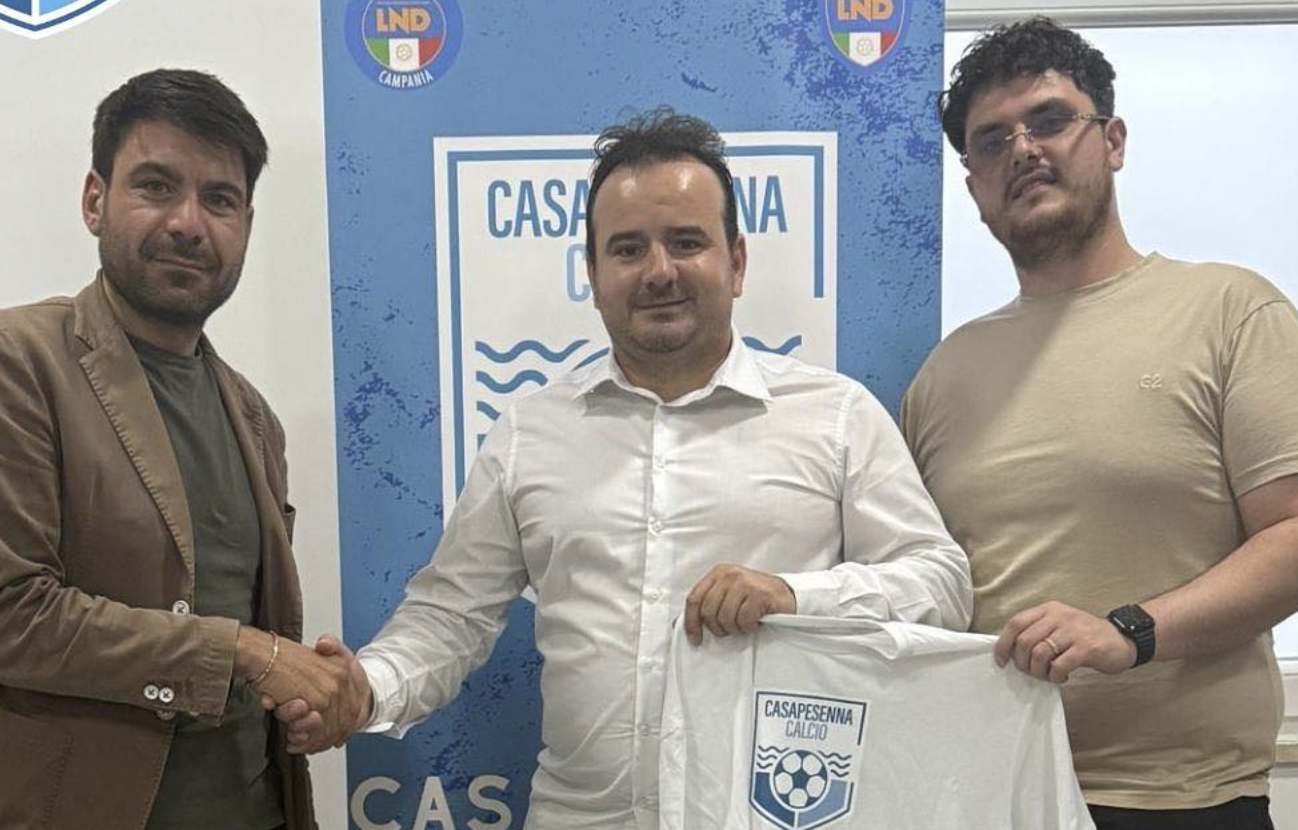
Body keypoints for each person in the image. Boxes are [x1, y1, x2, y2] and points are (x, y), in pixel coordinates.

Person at [280, 109, 972, 828]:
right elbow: (451, 617)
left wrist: (797, 596)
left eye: (686, 242)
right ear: (593, 273)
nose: (659, 271)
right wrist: (368, 688)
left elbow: (941, 585)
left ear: (737, 261)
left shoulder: (835, 416)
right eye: (628, 249)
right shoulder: (529, 432)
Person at [902, 17, 1298, 829]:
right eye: (991, 140)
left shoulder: (1230, 311)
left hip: (1184, 802)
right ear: (973, 185)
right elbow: (920, 582)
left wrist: (1130, 632)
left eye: (1050, 120)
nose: (1023, 149)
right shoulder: (944, 375)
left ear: (1113, 140)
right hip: (988, 799)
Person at [0, 69, 363, 830]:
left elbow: (252, 638)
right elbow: (14, 616)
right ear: (95, 199)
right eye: (156, 186)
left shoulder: (254, 418)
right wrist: (246, 653)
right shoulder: (20, 361)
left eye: (219, 199)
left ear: (247, 225)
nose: (188, 223)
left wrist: (307, 695)